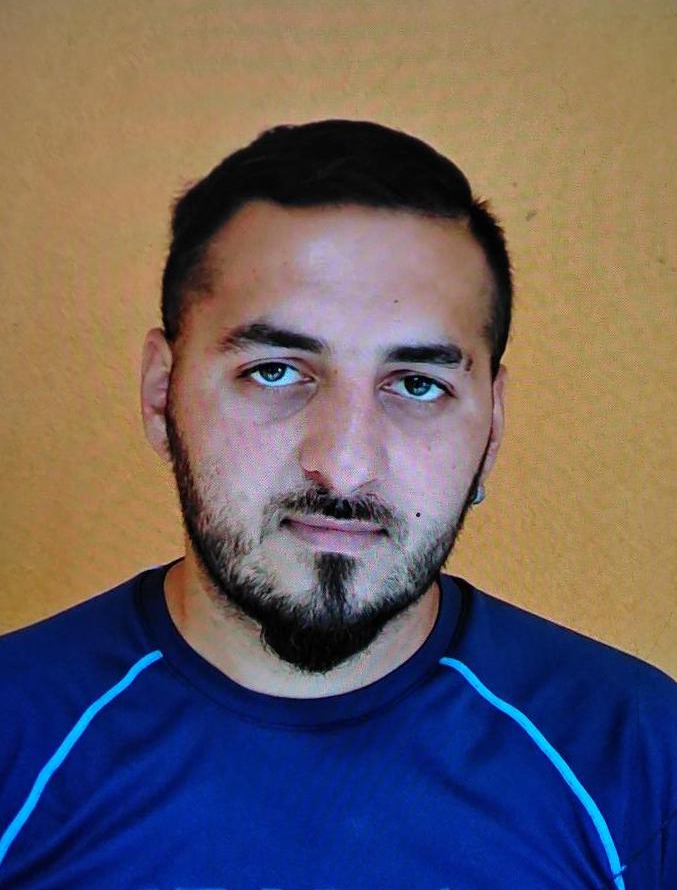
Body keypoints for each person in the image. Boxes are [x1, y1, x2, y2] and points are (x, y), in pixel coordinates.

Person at [0, 119, 674, 890]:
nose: (345, 467)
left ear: (491, 427)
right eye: (275, 372)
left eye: (416, 385)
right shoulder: (17, 737)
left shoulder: (636, 758)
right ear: (161, 394)